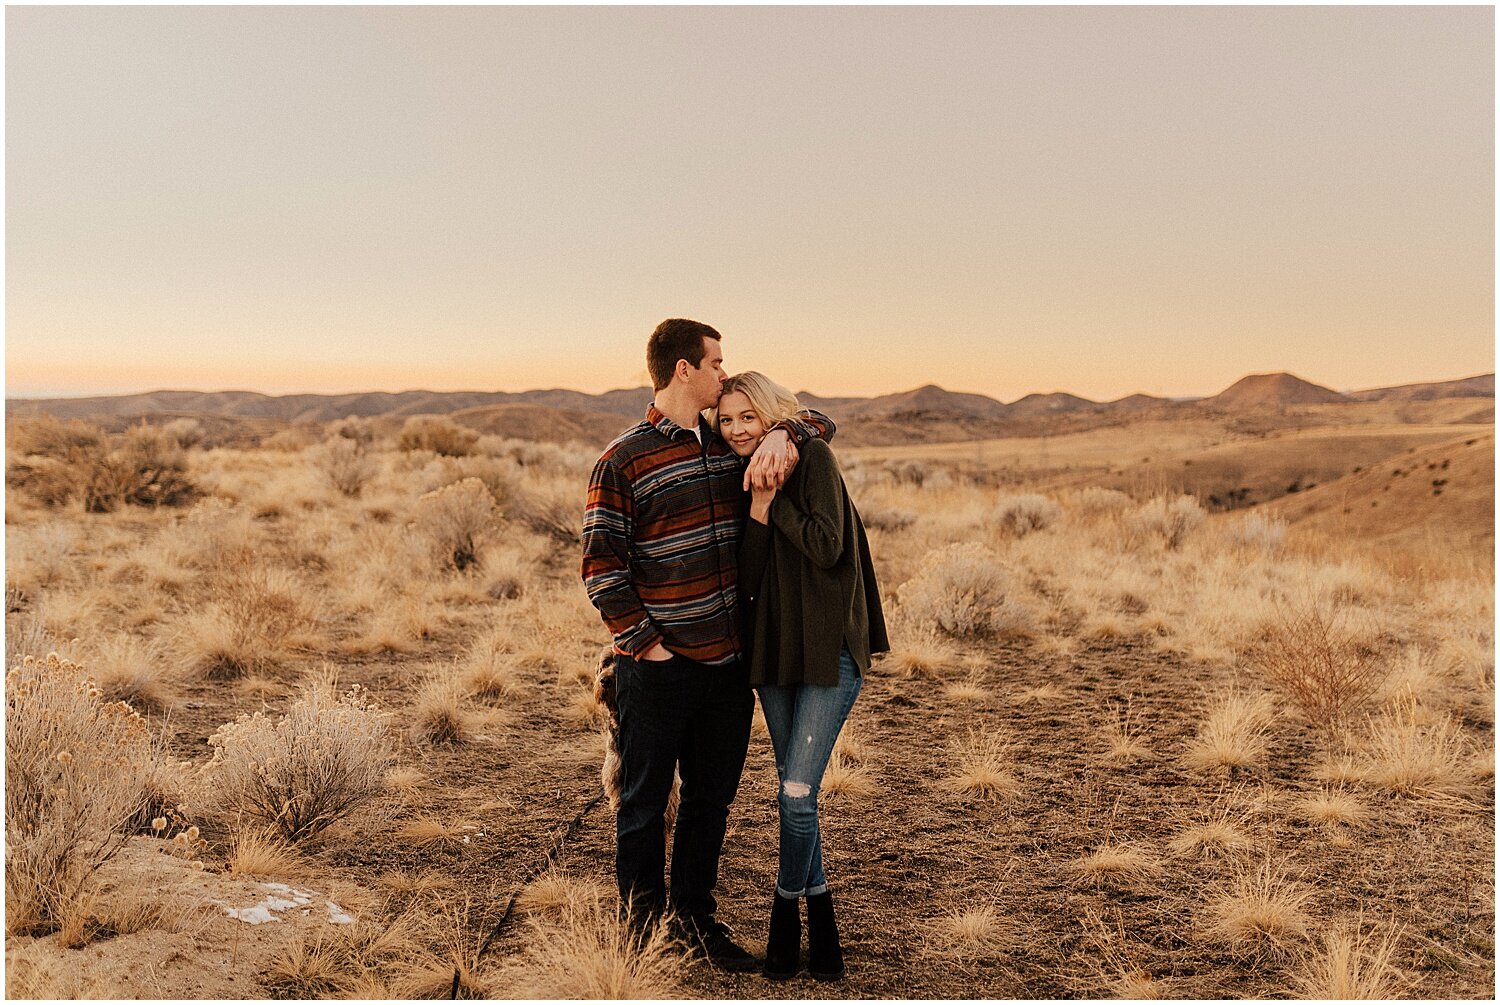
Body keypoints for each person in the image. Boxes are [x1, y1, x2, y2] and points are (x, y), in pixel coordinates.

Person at [581, 319, 835, 971]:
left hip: (727, 667)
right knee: (642, 805)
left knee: (709, 802)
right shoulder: (622, 459)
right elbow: (601, 567)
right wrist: (647, 648)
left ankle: (694, 921)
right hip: (658, 668)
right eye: (717, 363)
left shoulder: (731, 447)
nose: (725, 372)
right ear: (684, 370)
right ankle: (640, 937)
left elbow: (820, 421)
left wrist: (786, 430)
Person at [714, 371, 888, 983]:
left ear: (769, 418)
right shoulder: (747, 477)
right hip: (775, 655)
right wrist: (756, 507)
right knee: (797, 793)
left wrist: (775, 500)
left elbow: (826, 544)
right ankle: (826, 930)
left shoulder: (809, 456)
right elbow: (753, 578)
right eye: (727, 419)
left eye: (748, 418)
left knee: (796, 795)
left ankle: (784, 918)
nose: (737, 430)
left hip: (827, 652)